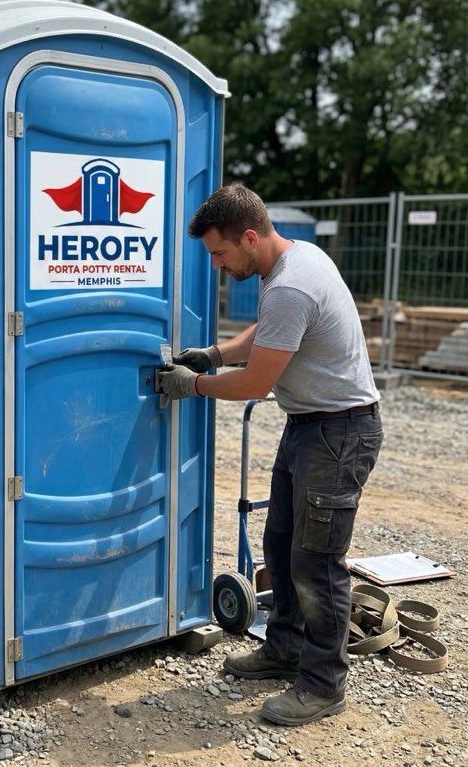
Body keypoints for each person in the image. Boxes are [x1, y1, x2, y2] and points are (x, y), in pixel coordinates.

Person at [159, 183, 383, 726]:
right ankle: (283, 647)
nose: (215, 263)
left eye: (218, 252)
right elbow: (271, 335)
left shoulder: (291, 285)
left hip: (340, 432)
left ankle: (324, 683)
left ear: (250, 236)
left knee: (317, 563)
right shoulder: (289, 263)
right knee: (280, 543)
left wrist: (193, 385)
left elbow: (258, 380)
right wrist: (215, 353)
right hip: (312, 426)